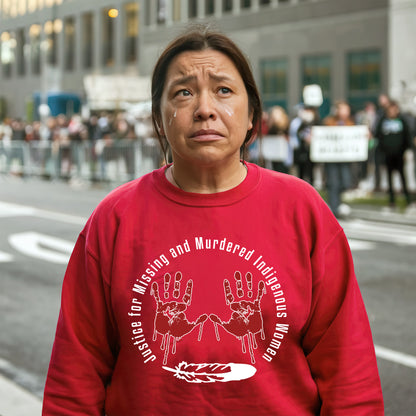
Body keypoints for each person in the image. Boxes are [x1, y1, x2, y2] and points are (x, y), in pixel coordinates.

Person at [42, 27, 384, 415]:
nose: (205, 108)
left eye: (223, 90)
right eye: (183, 92)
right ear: (159, 116)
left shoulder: (302, 210)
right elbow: (75, 378)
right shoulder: (114, 219)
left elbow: (350, 376)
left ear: (252, 112)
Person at [374, 100, 412, 207]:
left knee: (403, 177)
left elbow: (407, 136)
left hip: (399, 154)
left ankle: (407, 198)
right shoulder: (383, 121)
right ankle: (391, 199)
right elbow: (378, 135)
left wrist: (407, 151)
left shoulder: (402, 121)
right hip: (387, 154)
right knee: (389, 177)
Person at [322, 100, 355, 217]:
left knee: (345, 182)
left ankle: (338, 203)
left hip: (345, 159)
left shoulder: (351, 123)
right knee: (333, 182)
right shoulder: (329, 122)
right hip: (331, 159)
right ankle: (334, 207)